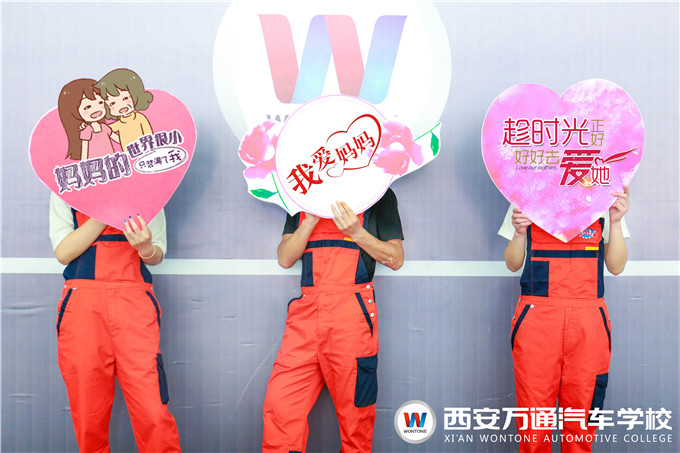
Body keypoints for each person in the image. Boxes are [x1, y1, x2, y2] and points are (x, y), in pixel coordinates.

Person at [262, 189, 404, 453]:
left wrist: (357, 232)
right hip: (305, 318)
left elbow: (396, 259)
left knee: (356, 417)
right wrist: (309, 221)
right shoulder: (300, 193)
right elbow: (285, 258)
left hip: (352, 316)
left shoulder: (378, 192)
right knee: (281, 408)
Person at [499, 186, 630, 453]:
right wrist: (519, 232)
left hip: (588, 322)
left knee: (581, 423)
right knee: (534, 424)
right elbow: (512, 263)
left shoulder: (604, 196)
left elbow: (616, 266)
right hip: (537, 320)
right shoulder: (526, 193)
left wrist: (615, 222)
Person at [50, 192, 181, 452]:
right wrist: (109, 208)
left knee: (153, 411)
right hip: (83, 307)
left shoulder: (149, 189)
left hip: (134, 305)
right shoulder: (65, 186)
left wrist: (145, 248)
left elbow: (157, 254)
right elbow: (64, 252)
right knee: (88, 413)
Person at [58, 78, 119, 161]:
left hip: (110, 161)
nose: (96, 109)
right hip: (94, 163)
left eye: (100, 102)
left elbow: (118, 139)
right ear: (75, 112)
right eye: (87, 107)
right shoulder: (87, 130)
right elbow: (84, 149)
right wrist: (84, 163)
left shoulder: (104, 127)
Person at [94, 68, 154, 150]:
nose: (121, 106)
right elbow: (105, 129)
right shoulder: (119, 124)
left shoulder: (140, 118)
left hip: (144, 151)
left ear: (135, 95)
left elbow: (149, 135)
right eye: (112, 103)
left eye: (125, 98)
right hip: (128, 154)